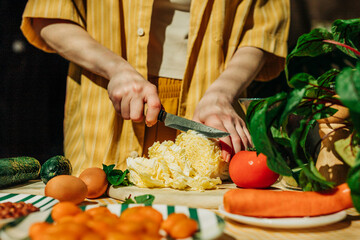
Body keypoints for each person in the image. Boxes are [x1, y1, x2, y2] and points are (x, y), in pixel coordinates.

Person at [21, 0, 290, 176]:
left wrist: (221, 94)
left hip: (208, 105)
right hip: (112, 102)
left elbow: (263, 31)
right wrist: (116, 69)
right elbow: (48, 15)